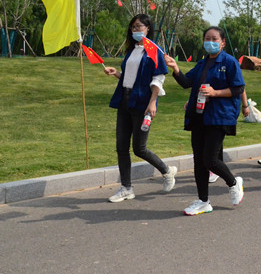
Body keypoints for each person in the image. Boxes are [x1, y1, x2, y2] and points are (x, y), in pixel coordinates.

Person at [164, 26, 245, 215]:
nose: (210, 42)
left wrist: (215, 93)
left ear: (222, 43)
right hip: (199, 116)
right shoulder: (202, 64)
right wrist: (175, 68)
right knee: (199, 161)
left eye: (214, 39)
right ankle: (203, 201)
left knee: (210, 159)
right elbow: (186, 83)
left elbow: (238, 88)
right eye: (207, 38)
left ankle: (234, 183)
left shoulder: (229, 62)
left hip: (219, 116)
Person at [104, 14, 177, 203]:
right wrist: (116, 73)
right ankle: (126, 188)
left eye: (139, 27)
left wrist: (152, 102)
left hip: (143, 102)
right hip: (125, 100)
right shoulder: (132, 50)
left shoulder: (154, 50)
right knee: (121, 147)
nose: (135, 30)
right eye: (133, 27)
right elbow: (131, 76)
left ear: (148, 28)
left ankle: (166, 171)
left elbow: (158, 78)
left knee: (139, 148)